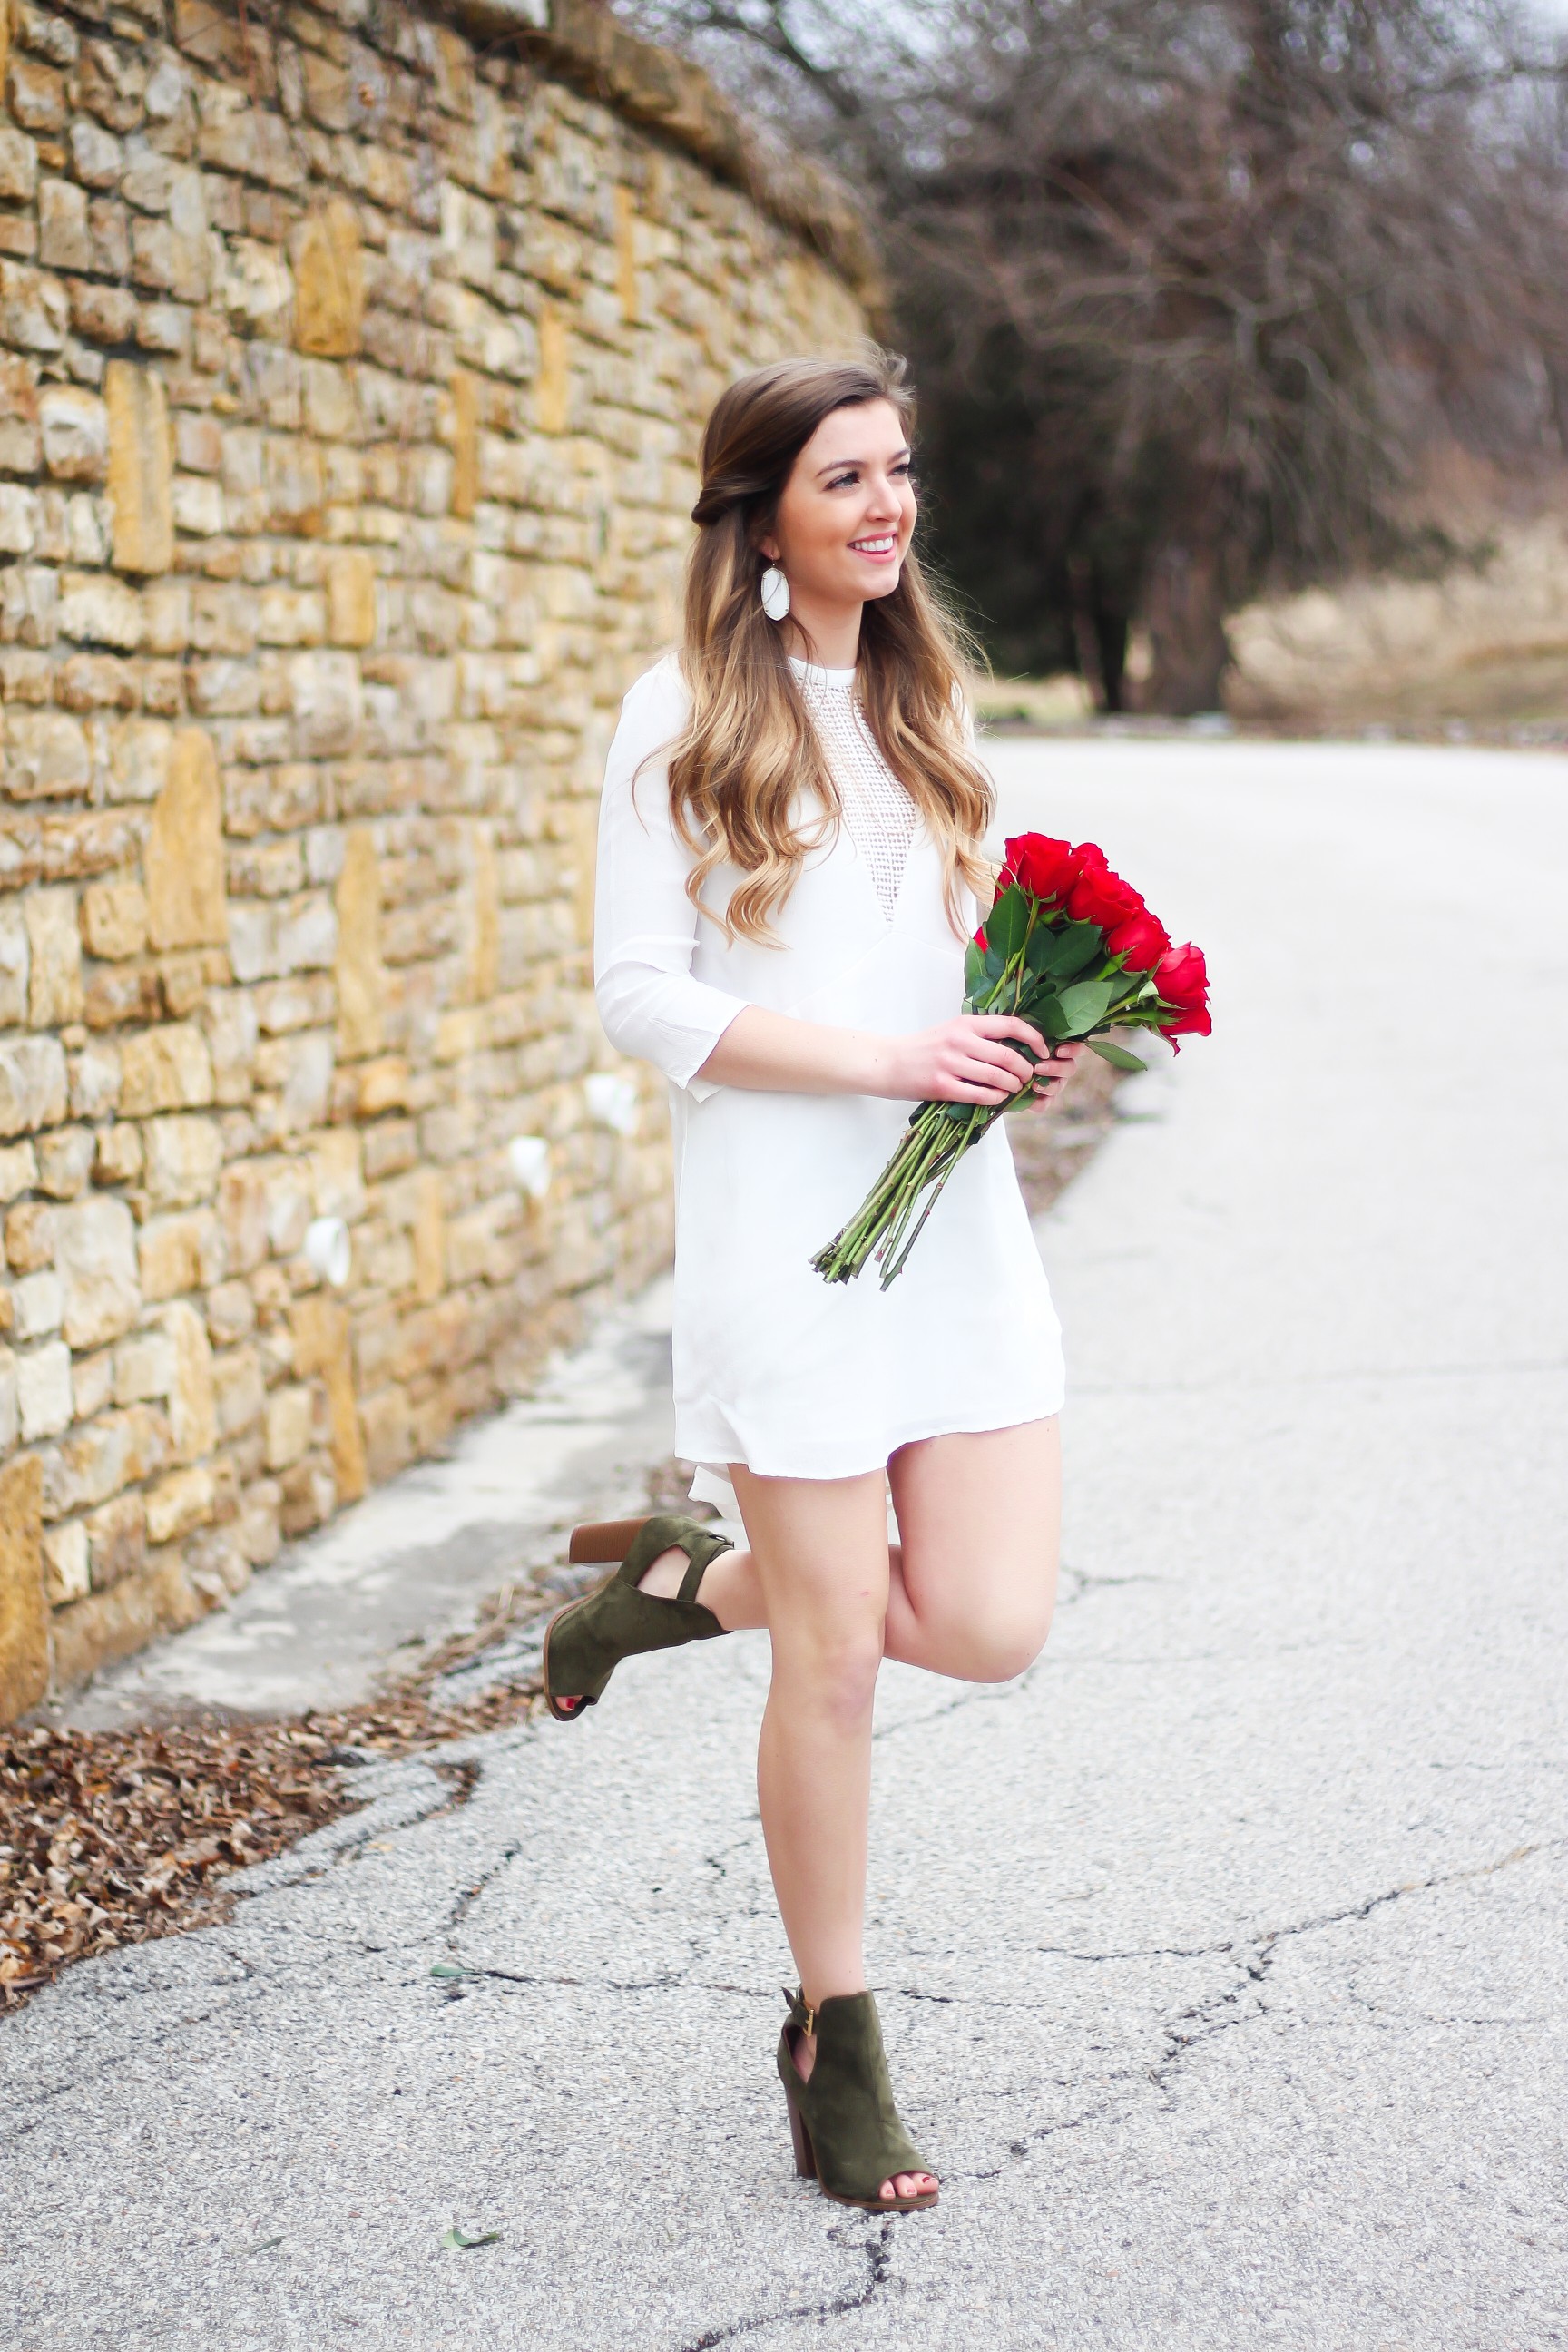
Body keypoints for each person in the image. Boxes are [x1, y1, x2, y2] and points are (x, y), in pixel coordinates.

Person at [543, 349, 1084, 2213]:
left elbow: (937, 972)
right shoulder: (682, 710)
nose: (885, 507)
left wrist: (1022, 1038)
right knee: (842, 1656)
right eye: (844, 478)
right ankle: (833, 2037)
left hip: (955, 1236)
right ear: (759, 513)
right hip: (789, 1242)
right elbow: (635, 993)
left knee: (997, 1621)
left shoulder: (931, 709)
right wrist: (877, 1068)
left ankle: (689, 1581)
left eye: (900, 473)